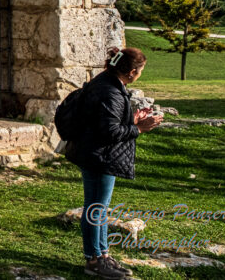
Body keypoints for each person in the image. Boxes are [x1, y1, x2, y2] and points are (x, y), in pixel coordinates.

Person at [66, 47, 163, 279]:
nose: (140, 75)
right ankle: (94, 260)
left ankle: (103, 255)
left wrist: (132, 118)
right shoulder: (111, 91)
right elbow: (108, 131)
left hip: (94, 153)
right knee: (96, 210)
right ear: (131, 72)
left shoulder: (106, 81)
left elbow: (103, 120)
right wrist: (139, 127)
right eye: (140, 71)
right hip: (99, 156)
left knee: (98, 208)